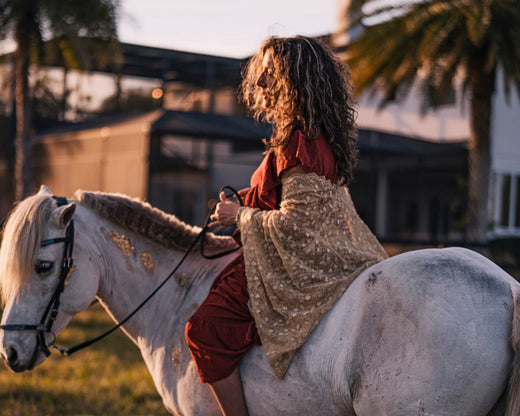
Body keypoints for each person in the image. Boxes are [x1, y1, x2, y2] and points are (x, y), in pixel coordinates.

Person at [184, 35, 388, 416]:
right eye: (260, 75)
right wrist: (244, 200)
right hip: (269, 247)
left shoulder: (299, 143)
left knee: (204, 330)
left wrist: (238, 217)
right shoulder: (313, 137)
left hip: (279, 264)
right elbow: (285, 197)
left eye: (270, 75)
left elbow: (298, 223)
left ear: (296, 79)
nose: (260, 83)